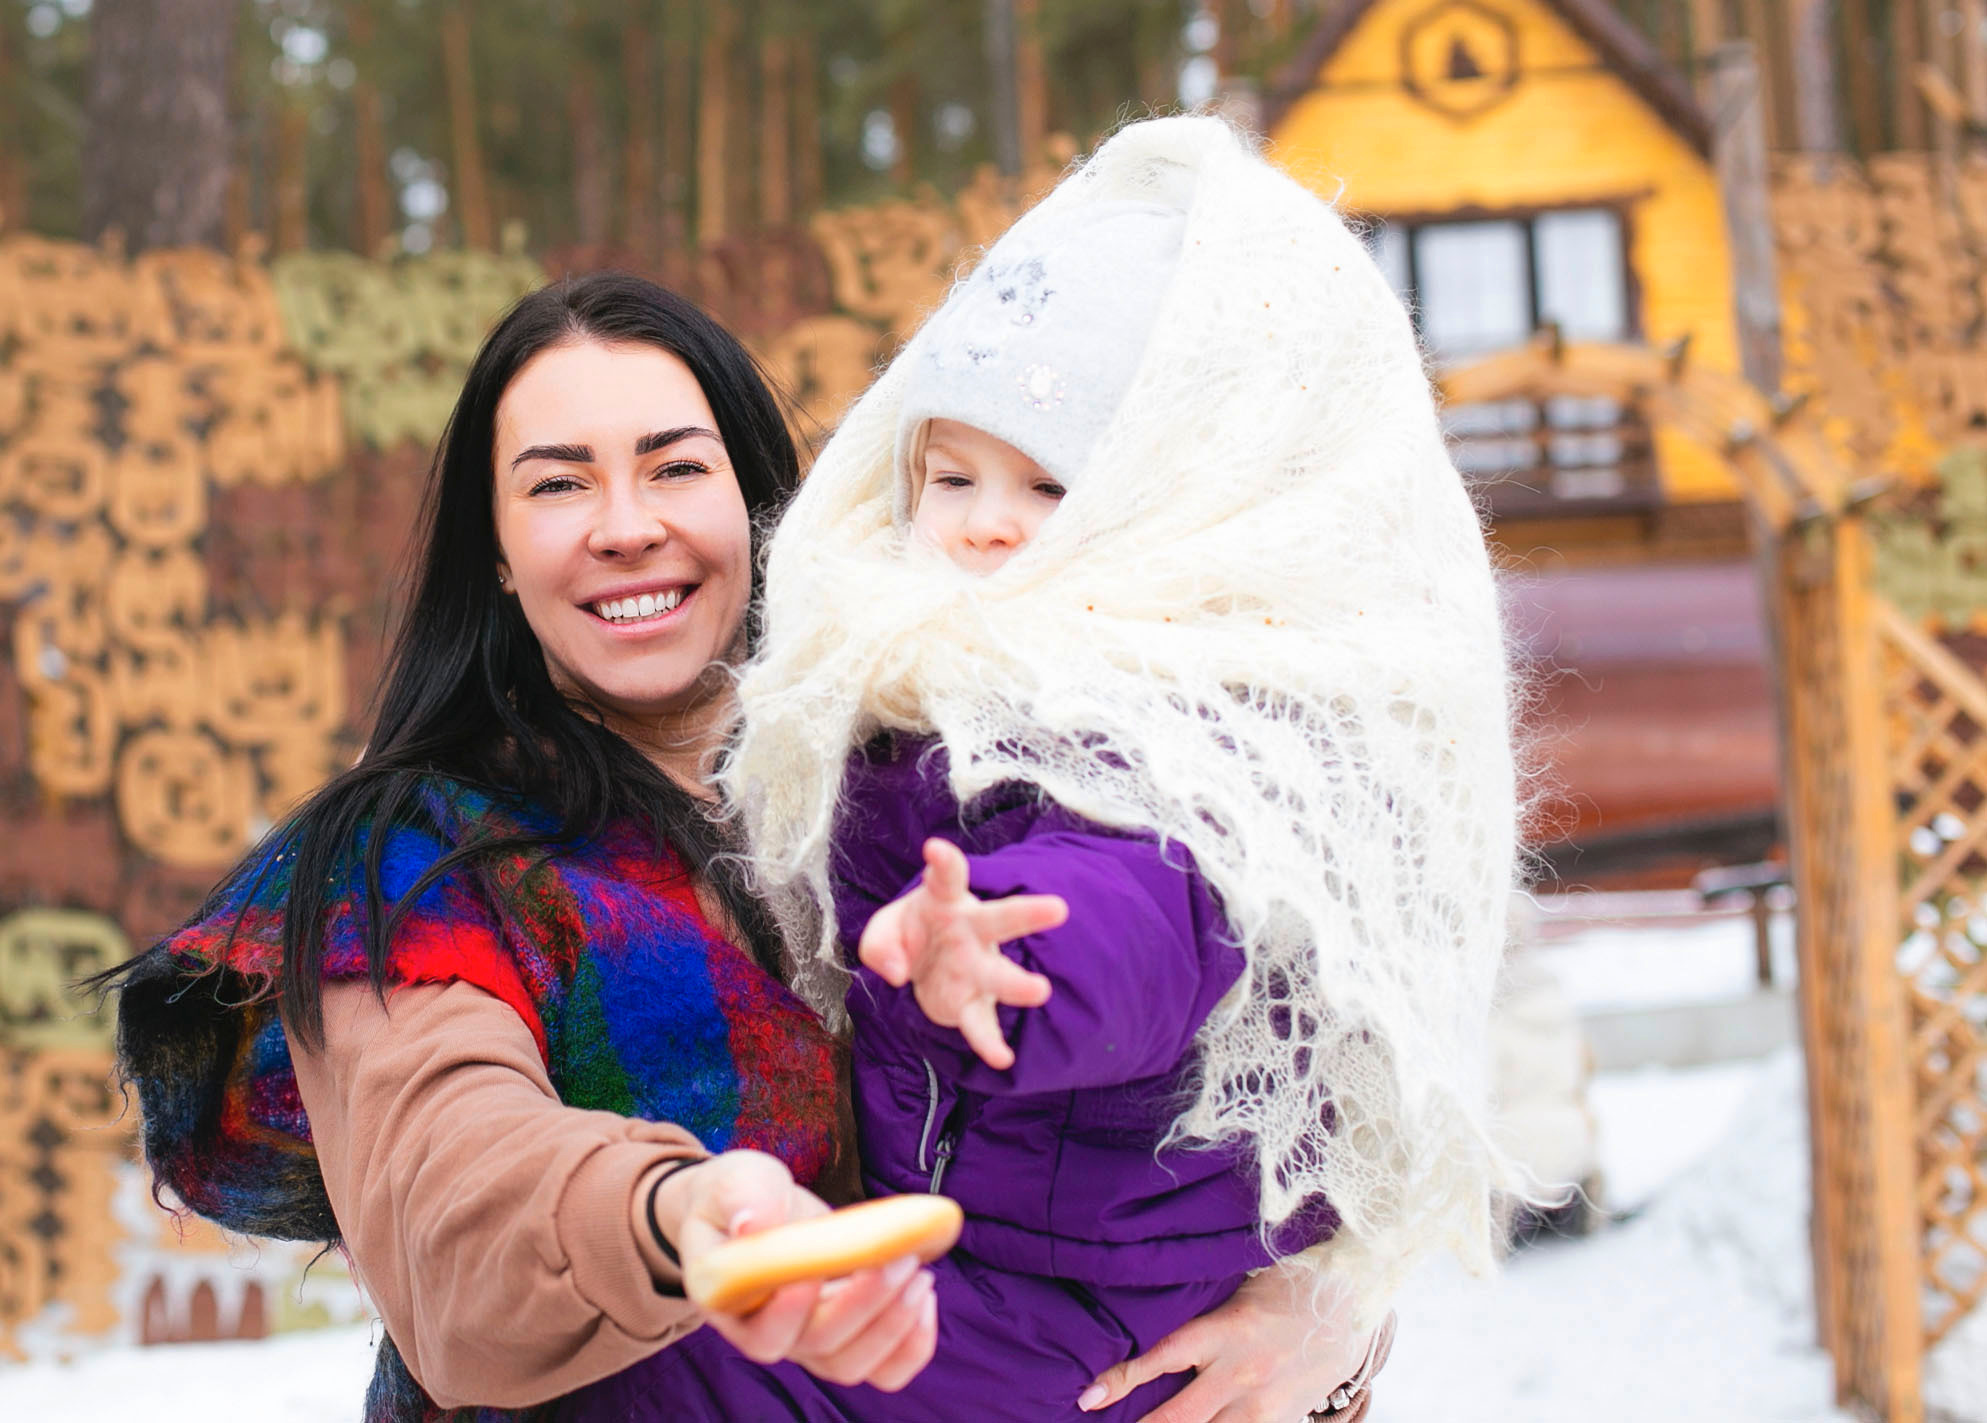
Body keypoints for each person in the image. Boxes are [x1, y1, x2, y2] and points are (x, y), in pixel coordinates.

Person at [104, 266, 1378, 1423]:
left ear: (768, 504)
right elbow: (452, 1203)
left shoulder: (952, 778)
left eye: (673, 466)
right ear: (495, 556)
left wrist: (1320, 1310)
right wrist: (679, 1217)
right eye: (557, 483)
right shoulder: (413, 865)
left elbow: (1225, 1064)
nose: (624, 524)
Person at [563, 114, 1521, 1423]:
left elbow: (1143, 906)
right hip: (993, 1235)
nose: (984, 520)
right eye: (950, 476)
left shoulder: (1158, 712)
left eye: (1047, 486)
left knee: (701, 1377)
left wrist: (1005, 961)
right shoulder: (909, 671)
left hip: (1079, 1291)